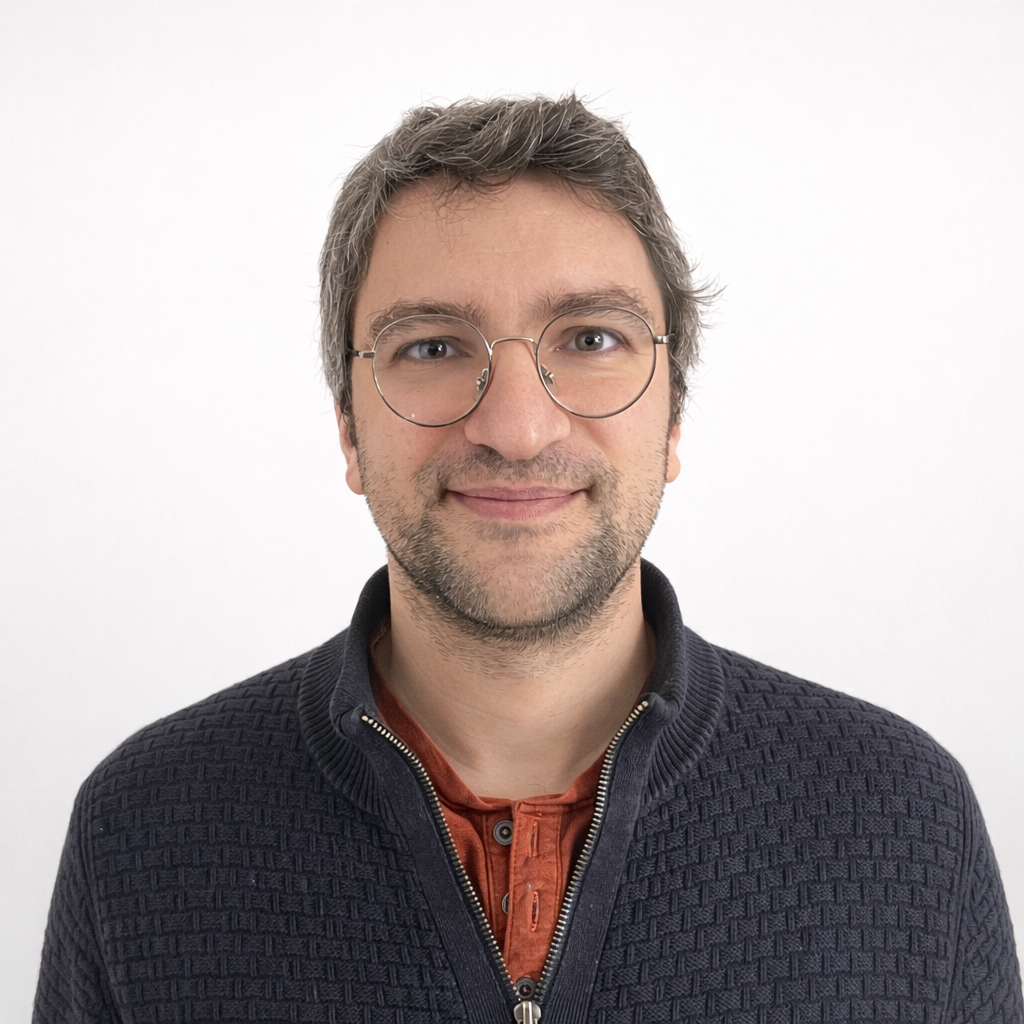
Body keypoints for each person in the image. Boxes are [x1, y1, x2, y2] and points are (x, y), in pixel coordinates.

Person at [34, 95, 1021, 1024]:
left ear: (674, 415)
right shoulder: (142, 831)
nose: (516, 427)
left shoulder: (904, 822)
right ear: (347, 427)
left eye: (590, 337)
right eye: (432, 347)